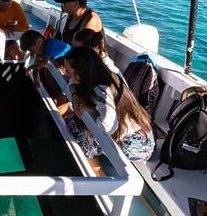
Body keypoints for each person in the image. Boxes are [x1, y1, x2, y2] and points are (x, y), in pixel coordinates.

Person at [63, 46, 155, 176]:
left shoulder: (101, 90)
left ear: (81, 72)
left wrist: (91, 109)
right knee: (74, 121)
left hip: (138, 144)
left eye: (68, 71)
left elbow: (108, 126)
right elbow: (72, 80)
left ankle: (98, 176)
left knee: (80, 133)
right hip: (140, 131)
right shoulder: (103, 73)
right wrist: (75, 95)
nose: (66, 73)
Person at [19, 29, 71, 117]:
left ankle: (63, 106)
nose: (33, 53)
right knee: (45, 73)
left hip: (73, 67)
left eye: (32, 50)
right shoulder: (42, 48)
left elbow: (43, 63)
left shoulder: (51, 44)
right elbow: (37, 62)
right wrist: (35, 79)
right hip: (62, 67)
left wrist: (29, 68)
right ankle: (54, 98)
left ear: (39, 42)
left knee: (46, 70)